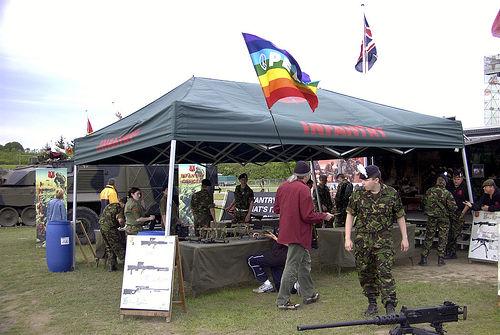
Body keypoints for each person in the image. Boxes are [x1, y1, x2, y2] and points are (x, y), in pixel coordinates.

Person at [344, 164, 409, 316]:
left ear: (376, 180)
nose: (362, 183)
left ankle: (390, 305)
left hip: (383, 240)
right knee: (365, 272)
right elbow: (350, 215)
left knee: (385, 271)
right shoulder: (358, 193)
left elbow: (400, 216)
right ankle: (372, 302)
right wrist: (347, 237)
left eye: (366, 180)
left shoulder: (391, 194)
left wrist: (405, 238)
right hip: (363, 241)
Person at [273, 161, 333, 310]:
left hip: (287, 232)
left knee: (304, 263)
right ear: (307, 176)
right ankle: (282, 300)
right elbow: (308, 216)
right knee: (292, 266)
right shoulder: (304, 189)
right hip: (298, 234)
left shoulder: (283, 186)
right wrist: (324, 216)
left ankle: (309, 294)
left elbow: (276, 209)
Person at [419, 177, 457, 267]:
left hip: (431, 217)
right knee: (443, 238)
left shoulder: (429, 191)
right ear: (444, 183)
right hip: (444, 218)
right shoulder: (447, 193)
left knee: (429, 237)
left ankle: (424, 258)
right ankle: (440, 259)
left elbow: (423, 202)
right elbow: (453, 207)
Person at [444, 170, 470, 259]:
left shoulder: (465, 187)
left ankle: (452, 252)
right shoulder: (450, 186)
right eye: (455, 179)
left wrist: (462, 214)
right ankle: (449, 251)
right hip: (450, 212)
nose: (456, 181)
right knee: (449, 232)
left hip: (460, 212)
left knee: (454, 233)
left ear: (462, 179)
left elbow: (469, 202)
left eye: (458, 179)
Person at [99, 197, 126, 272]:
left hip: (102, 227)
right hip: (110, 228)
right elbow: (120, 220)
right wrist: (123, 225)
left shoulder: (110, 205)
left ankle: (112, 266)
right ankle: (126, 264)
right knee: (118, 246)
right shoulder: (119, 208)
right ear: (123, 204)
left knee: (109, 247)